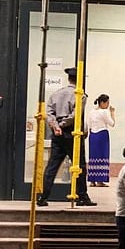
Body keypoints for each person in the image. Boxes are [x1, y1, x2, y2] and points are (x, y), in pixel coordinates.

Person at [39, 67, 96, 207]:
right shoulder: (80, 96)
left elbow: (49, 113)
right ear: (80, 80)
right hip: (72, 133)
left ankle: (43, 197)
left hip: (57, 134)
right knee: (79, 165)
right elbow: (75, 116)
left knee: (52, 165)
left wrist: (55, 126)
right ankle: (82, 196)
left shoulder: (56, 94)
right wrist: (63, 125)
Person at [87, 93, 115, 187]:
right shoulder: (104, 112)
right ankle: (100, 180)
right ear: (102, 103)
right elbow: (112, 123)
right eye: (107, 103)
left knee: (93, 157)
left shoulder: (91, 112)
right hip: (102, 134)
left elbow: (89, 125)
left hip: (93, 135)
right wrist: (112, 113)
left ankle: (92, 180)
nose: (107, 105)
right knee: (102, 156)